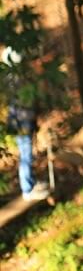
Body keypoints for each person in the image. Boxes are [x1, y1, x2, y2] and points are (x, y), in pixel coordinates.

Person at [3, 47, 50, 202]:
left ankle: (30, 183)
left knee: (27, 153)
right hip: (21, 121)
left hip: (22, 120)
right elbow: (26, 101)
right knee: (26, 154)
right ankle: (27, 189)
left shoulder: (11, 79)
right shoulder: (16, 80)